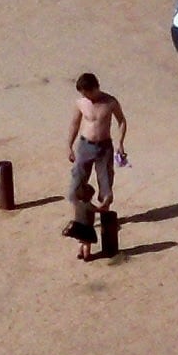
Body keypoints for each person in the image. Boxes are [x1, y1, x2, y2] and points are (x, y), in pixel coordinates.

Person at [63, 71, 127, 260]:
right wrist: (69, 145)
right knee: (76, 188)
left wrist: (121, 142)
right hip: (85, 145)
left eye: (87, 92)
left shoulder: (110, 102)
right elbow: (75, 123)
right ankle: (81, 224)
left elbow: (122, 120)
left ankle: (106, 226)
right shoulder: (81, 103)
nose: (85, 96)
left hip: (104, 147)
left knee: (106, 188)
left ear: (95, 88)